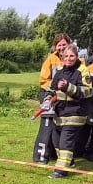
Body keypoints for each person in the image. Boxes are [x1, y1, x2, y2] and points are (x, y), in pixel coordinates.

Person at [42, 42, 93, 178]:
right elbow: (51, 89)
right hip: (60, 113)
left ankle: (60, 171)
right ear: (62, 57)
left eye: (72, 56)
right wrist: (47, 100)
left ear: (76, 57)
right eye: (66, 56)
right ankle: (69, 162)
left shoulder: (82, 71)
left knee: (65, 142)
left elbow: (87, 92)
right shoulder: (59, 71)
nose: (69, 59)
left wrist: (68, 87)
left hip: (76, 113)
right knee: (56, 141)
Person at [32, 33, 72, 164]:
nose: (61, 48)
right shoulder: (50, 59)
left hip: (67, 98)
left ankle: (56, 155)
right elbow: (43, 80)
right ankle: (41, 156)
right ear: (55, 46)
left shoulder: (75, 59)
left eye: (64, 45)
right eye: (59, 45)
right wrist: (54, 91)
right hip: (49, 96)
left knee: (60, 127)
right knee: (47, 126)